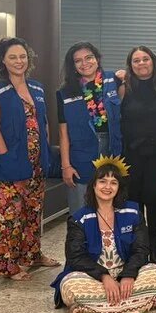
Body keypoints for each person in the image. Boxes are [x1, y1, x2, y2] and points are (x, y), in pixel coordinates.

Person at [51, 156, 156, 313]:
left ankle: (93, 309)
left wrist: (128, 275)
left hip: (125, 271)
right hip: (92, 276)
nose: (107, 187)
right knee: (70, 285)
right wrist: (104, 277)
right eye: (103, 181)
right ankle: (140, 303)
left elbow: (141, 249)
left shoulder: (133, 212)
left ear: (119, 188)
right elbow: (75, 257)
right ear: (94, 185)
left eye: (113, 183)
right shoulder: (79, 218)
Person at [0, 37, 60, 280]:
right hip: (10, 165)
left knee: (32, 213)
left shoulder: (37, 88)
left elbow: (43, 122)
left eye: (22, 56)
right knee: (10, 217)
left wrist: (45, 150)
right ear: (3, 61)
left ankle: (31, 255)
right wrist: (6, 158)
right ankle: (6, 266)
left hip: (36, 164)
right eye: (13, 57)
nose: (19, 61)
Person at [120, 46, 156, 265]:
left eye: (145, 59)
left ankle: (155, 246)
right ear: (130, 66)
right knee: (133, 200)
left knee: (155, 199)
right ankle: (138, 247)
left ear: (153, 61)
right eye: (136, 60)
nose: (141, 63)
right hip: (132, 154)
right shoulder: (124, 88)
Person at [57, 42, 123, 214]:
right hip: (81, 154)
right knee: (80, 209)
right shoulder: (65, 92)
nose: (84, 63)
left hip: (112, 150)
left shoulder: (114, 81)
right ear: (73, 66)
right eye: (78, 60)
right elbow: (63, 134)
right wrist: (66, 166)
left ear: (97, 59)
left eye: (89, 58)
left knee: (111, 206)